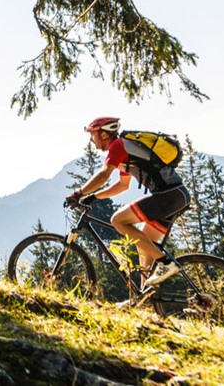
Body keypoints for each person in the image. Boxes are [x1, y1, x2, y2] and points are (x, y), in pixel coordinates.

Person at [66, 116, 191, 289]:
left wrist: (78, 193)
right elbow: (122, 186)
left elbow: (103, 175)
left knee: (118, 221)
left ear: (103, 135)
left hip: (168, 196)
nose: (91, 140)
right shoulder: (126, 150)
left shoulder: (118, 146)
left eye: (92, 135)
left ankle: (166, 263)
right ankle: (144, 298)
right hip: (176, 196)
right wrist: (94, 196)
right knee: (145, 247)